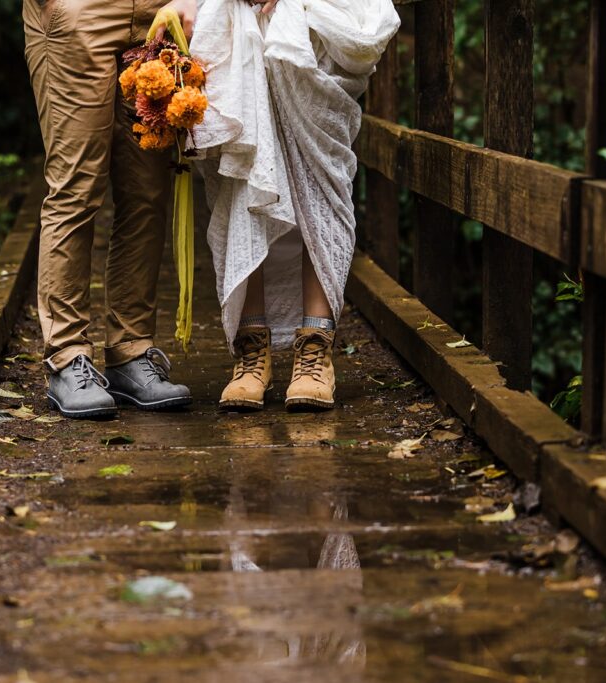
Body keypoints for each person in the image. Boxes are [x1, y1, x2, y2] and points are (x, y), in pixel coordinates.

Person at [191, 0, 400, 411]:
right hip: (243, 18)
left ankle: (316, 346)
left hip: (319, 19)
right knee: (246, 175)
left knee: (321, 181)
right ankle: (252, 351)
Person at [23, 0, 198, 418]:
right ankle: (66, 357)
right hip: (79, 15)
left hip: (158, 12)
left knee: (147, 193)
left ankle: (130, 351)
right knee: (74, 189)